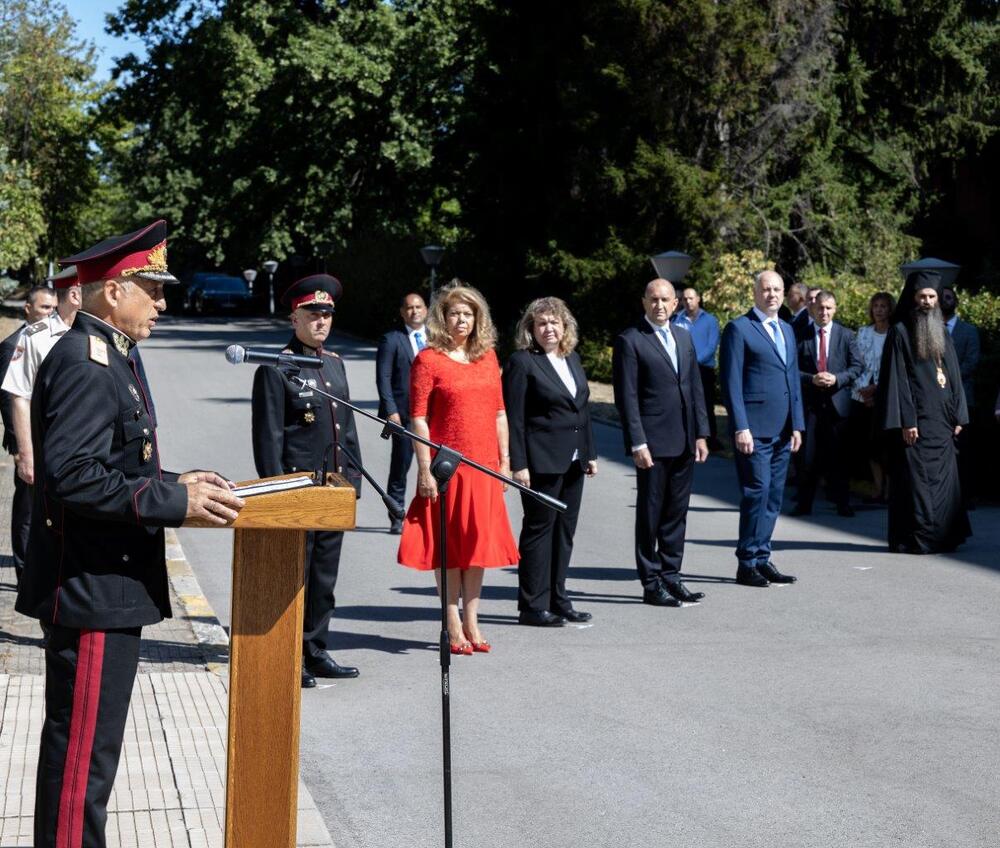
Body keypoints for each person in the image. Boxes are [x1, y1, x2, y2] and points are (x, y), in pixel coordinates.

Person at [17, 220, 244, 848]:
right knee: (82, 760)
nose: (165, 304)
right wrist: (174, 501)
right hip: (91, 587)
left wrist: (177, 479)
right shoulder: (89, 363)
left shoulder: (113, 353)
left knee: (92, 755)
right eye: (154, 289)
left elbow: (115, 464)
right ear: (115, 290)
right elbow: (72, 478)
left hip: (107, 582)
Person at [251, 273, 363, 688]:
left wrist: (352, 482)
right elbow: (269, 440)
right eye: (312, 314)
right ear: (294, 318)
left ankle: (316, 649)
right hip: (298, 490)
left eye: (327, 315)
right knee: (295, 575)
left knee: (323, 577)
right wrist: (278, 493)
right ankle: (290, 654)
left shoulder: (333, 364)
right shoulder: (278, 368)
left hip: (332, 489)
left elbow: (346, 429)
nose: (321, 322)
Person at [397, 281, 519, 653]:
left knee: (478, 549)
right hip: (448, 467)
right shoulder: (429, 360)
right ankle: (451, 624)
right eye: (455, 314)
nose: (462, 320)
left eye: (468, 314)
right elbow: (417, 418)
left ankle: (472, 622)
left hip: (484, 466)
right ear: (442, 318)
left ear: (478, 319)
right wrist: (424, 469)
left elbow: (500, 413)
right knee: (449, 550)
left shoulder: (489, 357)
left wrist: (505, 463)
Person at [612, 279, 710, 606]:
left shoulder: (683, 336)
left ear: (676, 304)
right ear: (644, 302)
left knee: (676, 513)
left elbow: (695, 387)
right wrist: (637, 442)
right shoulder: (631, 340)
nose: (660, 305)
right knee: (651, 513)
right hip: (652, 444)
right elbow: (627, 397)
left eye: (666, 299)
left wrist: (701, 433)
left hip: (684, 439)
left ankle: (672, 575)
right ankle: (651, 582)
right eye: (653, 299)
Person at [503, 297, 597, 626]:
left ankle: (559, 599)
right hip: (540, 460)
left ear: (565, 325)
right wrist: (519, 464)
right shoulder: (522, 362)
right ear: (531, 329)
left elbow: (581, 410)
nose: (549, 328)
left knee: (565, 532)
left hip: (573, 460)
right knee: (539, 531)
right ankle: (532, 605)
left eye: (554, 322)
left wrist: (589, 453)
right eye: (541, 323)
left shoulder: (571, 359)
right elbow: (514, 418)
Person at [875, 270, 970, 553]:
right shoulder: (901, 331)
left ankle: (945, 535)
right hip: (916, 421)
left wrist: (960, 414)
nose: (928, 301)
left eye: (932, 297)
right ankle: (920, 537)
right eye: (922, 296)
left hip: (943, 420)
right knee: (918, 482)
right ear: (913, 298)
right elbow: (897, 379)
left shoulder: (940, 329)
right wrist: (907, 419)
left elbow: (953, 374)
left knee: (945, 480)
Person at [720, 270, 804, 587]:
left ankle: (762, 556)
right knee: (757, 492)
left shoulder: (787, 329)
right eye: (766, 289)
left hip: (783, 429)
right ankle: (746, 562)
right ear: (755, 293)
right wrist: (740, 426)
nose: (772, 294)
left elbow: (792, 379)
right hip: (754, 429)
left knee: (774, 496)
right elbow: (730, 384)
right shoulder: (739, 329)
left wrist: (798, 424)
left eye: (777, 289)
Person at [0, 284, 57, 584]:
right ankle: (23, 572)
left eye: (53, 308)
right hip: (26, 445)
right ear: (28, 308)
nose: (50, 314)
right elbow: (10, 400)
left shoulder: (51, 340)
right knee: (25, 512)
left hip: (48, 442)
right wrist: (20, 450)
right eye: (45, 308)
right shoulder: (13, 344)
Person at [792, 290, 862, 516]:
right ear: (813, 308)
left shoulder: (846, 335)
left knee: (839, 457)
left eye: (829, 308)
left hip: (837, 404)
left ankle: (843, 503)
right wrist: (811, 378)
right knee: (808, 458)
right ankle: (804, 504)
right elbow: (790, 369)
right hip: (810, 405)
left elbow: (857, 367)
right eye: (820, 308)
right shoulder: (800, 334)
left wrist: (837, 378)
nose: (824, 312)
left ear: (835, 309)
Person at [375, 292, 428, 533]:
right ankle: (396, 514)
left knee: (435, 466)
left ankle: (427, 515)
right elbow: (383, 378)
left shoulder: (438, 339)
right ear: (402, 312)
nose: (414, 311)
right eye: (409, 308)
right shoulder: (392, 340)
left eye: (419, 307)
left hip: (433, 415)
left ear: (426, 309)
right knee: (401, 465)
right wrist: (390, 410)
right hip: (404, 416)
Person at [851, 292, 894, 503]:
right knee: (869, 446)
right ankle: (877, 488)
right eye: (875, 305)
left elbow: (895, 368)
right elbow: (858, 364)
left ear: (890, 309)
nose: (879, 309)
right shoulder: (863, 333)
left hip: (887, 396)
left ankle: (889, 491)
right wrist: (864, 391)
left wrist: (877, 390)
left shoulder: (896, 333)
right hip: (862, 395)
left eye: (883, 306)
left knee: (886, 447)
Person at [941, 286, 981, 508]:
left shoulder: (969, 331)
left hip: (963, 398)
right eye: (942, 298)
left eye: (949, 297)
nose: (945, 301)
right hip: (936, 401)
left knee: (963, 450)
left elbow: (971, 362)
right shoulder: (932, 331)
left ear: (955, 301)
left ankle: (964, 497)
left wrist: (945, 380)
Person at [672, 286, 722, 449]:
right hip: (681, 369)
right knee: (682, 403)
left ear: (698, 299)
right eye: (684, 299)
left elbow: (711, 346)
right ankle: (685, 437)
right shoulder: (676, 320)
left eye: (691, 298)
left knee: (706, 405)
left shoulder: (710, 320)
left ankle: (710, 439)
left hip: (703, 370)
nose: (687, 301)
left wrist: (693, 362)